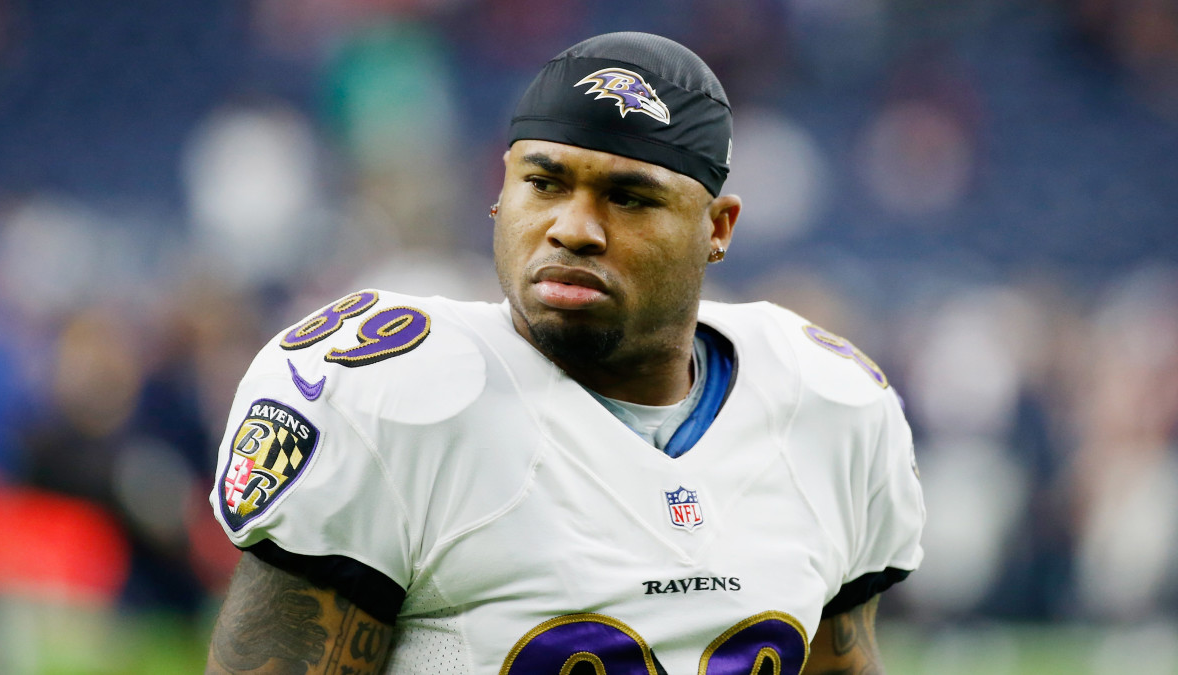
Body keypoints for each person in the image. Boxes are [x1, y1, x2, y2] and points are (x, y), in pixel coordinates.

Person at [204, 32, 925, 674]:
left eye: (630, 197)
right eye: (544, 184)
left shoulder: (826, 403)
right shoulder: (392, 396)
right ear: (500, 193)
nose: (573, 228)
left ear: (718, 228)